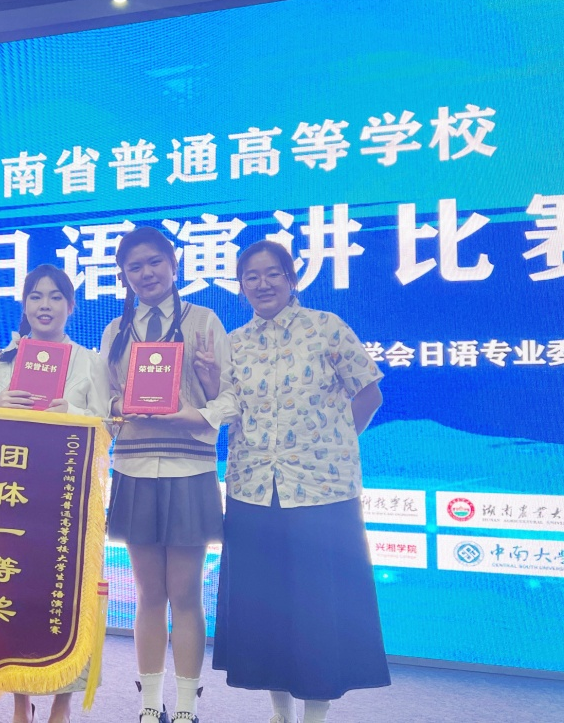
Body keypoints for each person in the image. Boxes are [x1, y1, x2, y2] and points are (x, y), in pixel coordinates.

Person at [212, 240, 390, 723]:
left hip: (321, 491)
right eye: (251, 276)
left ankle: (315, 713)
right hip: (253, 489)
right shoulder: (234, 342)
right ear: (240, 285)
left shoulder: (326, 327)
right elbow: (225, 407)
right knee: (265, 607)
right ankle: (280, 711)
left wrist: (333, 443)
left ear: (291, 279)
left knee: (317, 608)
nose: (262, 284)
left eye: (273, 273)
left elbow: (369, 394)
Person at [100, 226, 233, 723]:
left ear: (173, 267)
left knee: (186, 595)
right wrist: (119, 408)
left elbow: (231, 398)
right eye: (134, 267)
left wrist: (202, 399)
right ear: (124, 275)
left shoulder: (204, 321)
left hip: (187, 469)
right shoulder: (115, 331)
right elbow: (104, 402)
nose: (146, 273)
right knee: (149, 595)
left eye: (154, 262)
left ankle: (184, 707)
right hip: (134, 467)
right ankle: (149, 703)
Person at [0, 264, 109, 723]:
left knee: (67, 596)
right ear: (23, 305)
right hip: (16, 493)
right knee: (18, 592)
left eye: (55, 297)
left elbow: (108, 429)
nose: (45, 305)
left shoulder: (90, 361)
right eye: (36, 296)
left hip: (69, 495)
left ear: (71, 306)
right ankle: (21, 702)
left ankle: (62, 703)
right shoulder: (0, 363)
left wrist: (71, 411)